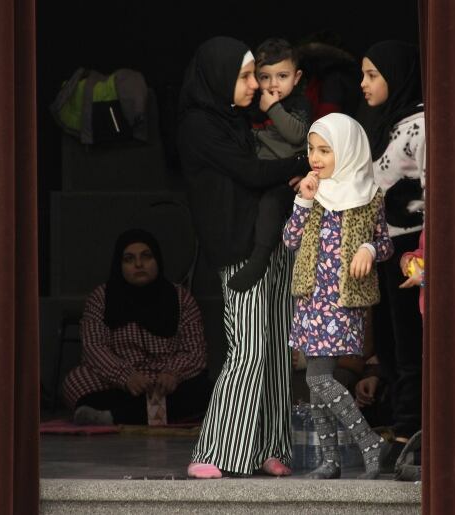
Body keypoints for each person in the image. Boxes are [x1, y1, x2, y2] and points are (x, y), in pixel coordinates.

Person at [177, 36, 309, 479]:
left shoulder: (233, 120)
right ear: (219, 78)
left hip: (269, 244)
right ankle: (213, 451)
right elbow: (251, 172)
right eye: (245, 76)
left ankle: (271, 447)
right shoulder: (200, 125)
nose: (255, 85)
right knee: (248, 349)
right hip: (238, 247)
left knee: (273, 350)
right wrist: (304, 162)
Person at [283, 112, 394, 479]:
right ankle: (329, 461)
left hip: (343, 300)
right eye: (312, 149)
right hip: (312, 299)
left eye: (325, 150)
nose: (315, 157)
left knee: (318, 380)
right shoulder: (313, 192)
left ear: (346, 151)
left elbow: (385, 243)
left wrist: (369, 249)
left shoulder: (369, 195)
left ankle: (369, 442)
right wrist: (302, 202)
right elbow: (289, 240)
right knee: (317, 385)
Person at [355, 39, 426, 464]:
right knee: (389, 345)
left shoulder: (418, 125)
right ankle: (403, 427)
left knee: (410, 346)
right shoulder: (390, 123)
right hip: (385, 247)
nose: (363, 84)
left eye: (372, 75)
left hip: (411, 251)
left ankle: (409, 432)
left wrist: (425, 257)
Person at [62, 229, 212, 426]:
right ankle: (155, 413)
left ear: (157, 260)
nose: (139, 264)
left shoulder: (180, 298)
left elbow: (195, 350)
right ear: (119, 265)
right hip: (121, 383)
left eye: (146, 257)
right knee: (76, 380)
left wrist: (172, 374)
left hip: (167, 383)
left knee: (206, 389)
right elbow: (94, 347)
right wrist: (126, 376)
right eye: (129, 259)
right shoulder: (102, 298)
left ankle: (113, 416)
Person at [226, 37, 311, 292]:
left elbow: (298, 135)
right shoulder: (251, 106)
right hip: (259, 175)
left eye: (282, 76)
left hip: (286, 177)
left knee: (271, 204)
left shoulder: (298, 104)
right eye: (265, 77)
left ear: (296, 78)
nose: (274, 84)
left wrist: (273, 108)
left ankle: (260, 259)